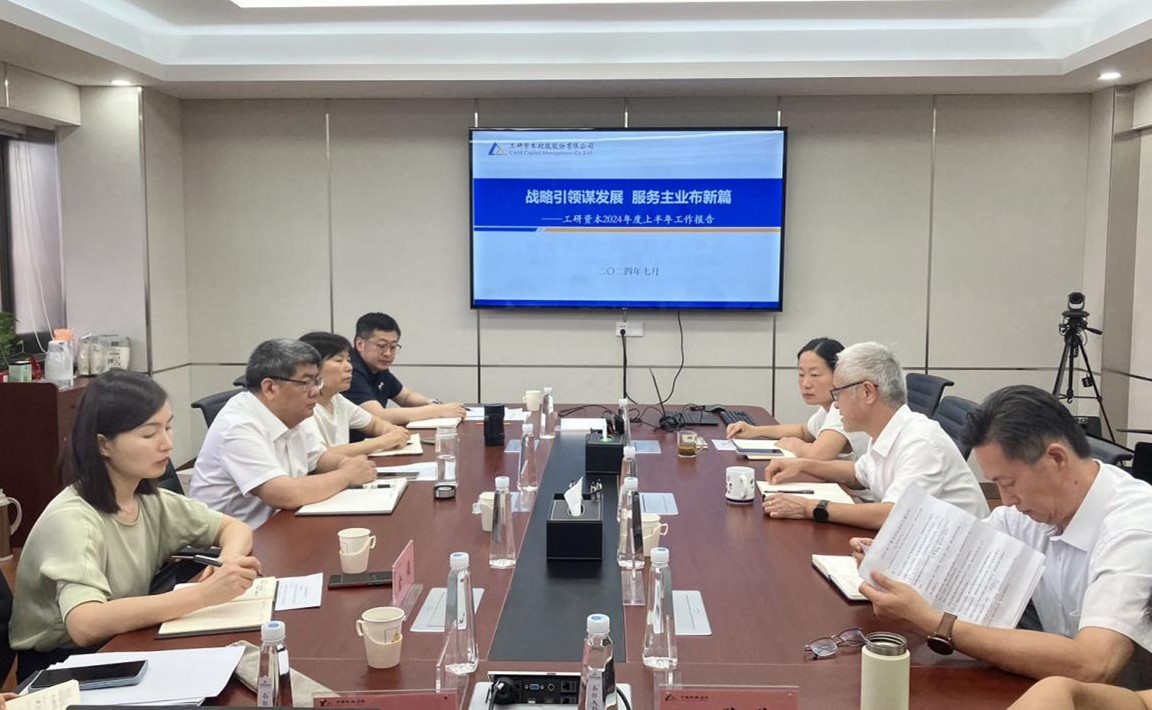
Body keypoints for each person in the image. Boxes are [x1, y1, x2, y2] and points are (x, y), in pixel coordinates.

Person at [857, 385, 1152, 686]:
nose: (1006, 500)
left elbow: (1094, 664)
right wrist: (890, 558)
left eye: (1009, 483)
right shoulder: (1032, 511)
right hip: (1056, 686)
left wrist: (934, 624)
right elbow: (956, 552)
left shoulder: (1134, 529)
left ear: (1056, 458)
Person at [8, 370, 261, 680]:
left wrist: (228, 562)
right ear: (104, 445)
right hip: (62, 667)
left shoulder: (147, 498)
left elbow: (233, 528)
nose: (167, 444)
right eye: (149, 434)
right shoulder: (73, 519)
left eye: (169, 427)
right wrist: (204, 594)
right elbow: (85, 624)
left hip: (122, 641)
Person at [762, 342, 987, 529]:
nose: (836, 405)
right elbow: (857, 474)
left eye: (838, 393)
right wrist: (802, 465)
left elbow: (893, 515)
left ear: (868, 392)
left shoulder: (920, 441)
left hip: (956, 559)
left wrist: (808, 507)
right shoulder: (885, 432)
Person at [190, 338, 377, 528]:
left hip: (281, 525)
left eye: (317, 382)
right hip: (238, 539)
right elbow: (284, 494)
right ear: (270, 388)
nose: (315, 392)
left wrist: (346, 463)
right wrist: (346, 476)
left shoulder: (294, 413)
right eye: (306, 382)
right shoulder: (237, 426)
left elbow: (319, 457)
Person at [725, 337, 870, 459]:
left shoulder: (844, 409)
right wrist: (755, 430)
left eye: (815, 375)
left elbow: (817, 455)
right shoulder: (829, 408)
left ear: (839, 374)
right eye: (801, 374)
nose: (806, 384)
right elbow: (804, 431)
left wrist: (793, 444)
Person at [298, 331, 412, 456]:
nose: (349, 367)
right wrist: (383, 442)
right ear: (312, 369)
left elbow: (374, 424)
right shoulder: (303, 408)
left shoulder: (337, 400)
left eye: (348, 360)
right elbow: (321, 456)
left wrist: (391, 431)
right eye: (339, 360)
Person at [346, 312, 467, 426]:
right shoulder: (349, 371)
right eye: (382, 346)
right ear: (360, 344)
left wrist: (431, 403)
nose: (388, 353)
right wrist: (438, 411)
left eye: (393, 347)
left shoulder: (379, 368)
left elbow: (405, 397)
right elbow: (379, 416)